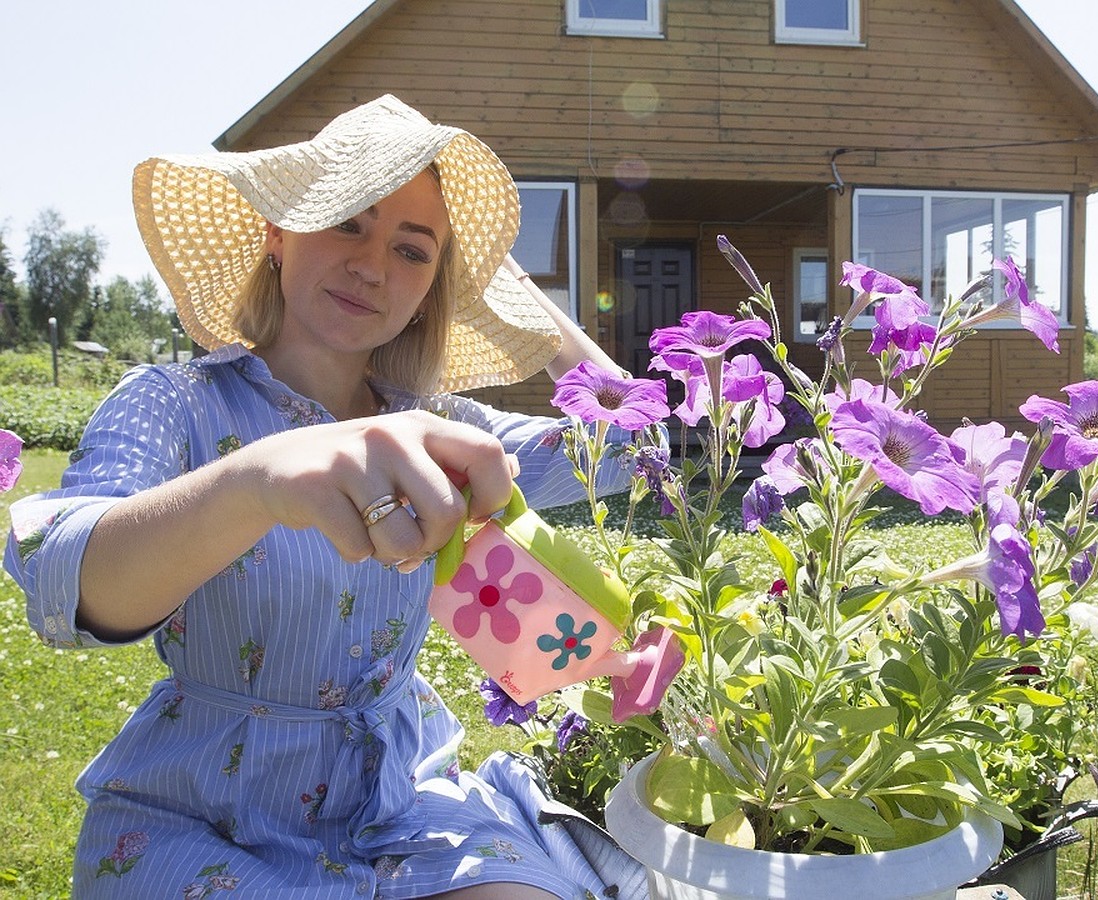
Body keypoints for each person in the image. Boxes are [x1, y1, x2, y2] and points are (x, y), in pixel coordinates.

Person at [4, 95, 640, 899]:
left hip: (404, 803)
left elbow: (633, 444)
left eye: (414, 252)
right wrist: (256, 482)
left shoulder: (438, 428)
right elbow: (63, 574)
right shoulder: (174, 403)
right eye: (347, 221)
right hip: (207, 813)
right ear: (277, 231)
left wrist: (523, 300)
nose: (373, 266)